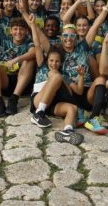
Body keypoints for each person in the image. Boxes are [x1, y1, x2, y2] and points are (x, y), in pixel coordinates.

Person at [25, 14, 84, 145]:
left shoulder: (63, 74)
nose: (54, 64)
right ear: (47, 60)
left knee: (72, 108)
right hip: (38, 99)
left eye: (57, 61)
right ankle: (39, 113)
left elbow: (79, 91)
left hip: (53, 104)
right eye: (51, 60)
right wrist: (33, 25)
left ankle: (67, 132)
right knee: (56, 75)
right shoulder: (42, 66)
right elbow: (37, 44)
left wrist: (80, 76)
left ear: (61, 63)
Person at [0, 4, 35, 117]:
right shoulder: (5, 40)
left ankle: (14, 100)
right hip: (5, 82)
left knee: (30, 60)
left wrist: (16, 59)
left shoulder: (28, 42)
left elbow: (33, 52)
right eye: (15, 29)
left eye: (21, 29)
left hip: (22, 84)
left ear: (26, 32)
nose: (18, 32)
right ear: (11, 31)